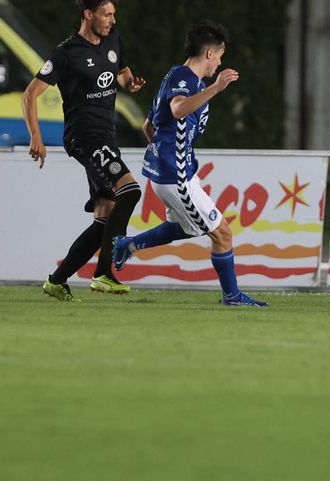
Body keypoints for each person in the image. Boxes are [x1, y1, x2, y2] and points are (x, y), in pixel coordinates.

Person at [111, 22, 267, 307]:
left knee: (185, 227)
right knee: (222, 233)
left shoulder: (175, 75)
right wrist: (217, 88)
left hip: (173, 172)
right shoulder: (187, 81)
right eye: (219, 56)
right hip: (176, 176)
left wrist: (161, 153)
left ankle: (127, 245)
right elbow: (177, 109)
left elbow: (149, 125)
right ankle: (231, 296)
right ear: (209, 53)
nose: (220, 63)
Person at [21, 0, 147, 301]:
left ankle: (57, 280)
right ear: (88, 15)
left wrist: (130, 83)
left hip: (106, 137)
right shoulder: (66, 53)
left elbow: (121, 74)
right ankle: (104, 273)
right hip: (84, 137)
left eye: (113, 14)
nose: (111, 20)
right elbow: (30, 94)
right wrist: (35, 134)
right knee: (130, 190)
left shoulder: (113, 40)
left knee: (105, 217)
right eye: (106, 14)